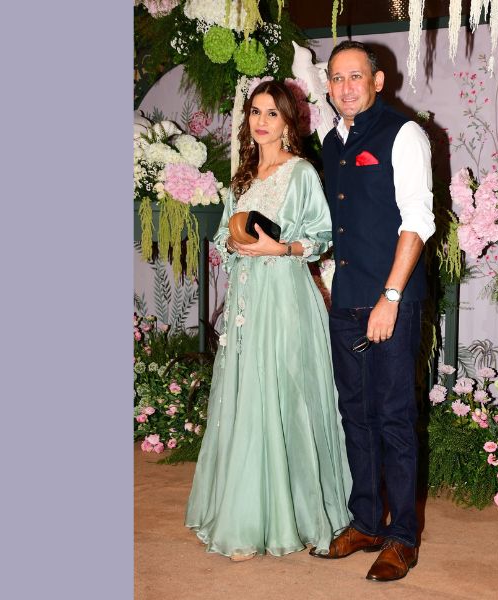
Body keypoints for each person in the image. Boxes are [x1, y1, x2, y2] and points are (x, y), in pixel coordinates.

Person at [185, 80, 351, 561]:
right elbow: (223, 236)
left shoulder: (301, 173)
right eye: (255, 112)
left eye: (272, 113)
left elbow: (323, 235)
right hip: (246, 300)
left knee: (285, 396)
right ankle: (245, 516)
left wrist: (281, 248)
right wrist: (233, 242)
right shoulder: (242, 177)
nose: (261, 121)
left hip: (285, 297)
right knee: (247, 396)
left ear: (287, 123)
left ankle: (297, 513)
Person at [310, 41, 435, 582]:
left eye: (355, 76)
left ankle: (402, 536)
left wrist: (390, 298)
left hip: (390, 301)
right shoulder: (330, 140)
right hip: (346, 299)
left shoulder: (404, 134)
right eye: (336, 78)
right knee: (354, 415)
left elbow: (418, 222)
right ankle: (365, 521)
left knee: (394, 419)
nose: (345, 87)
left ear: (377, 81)